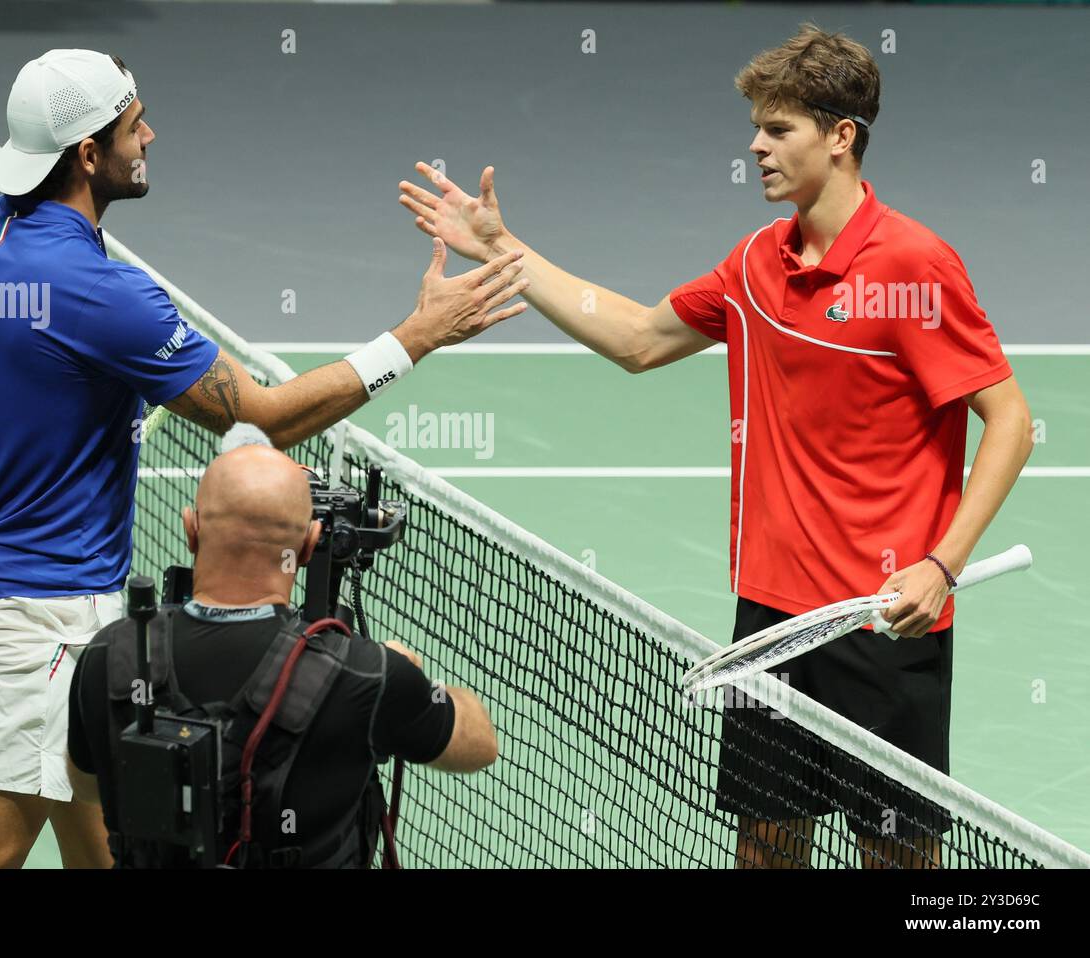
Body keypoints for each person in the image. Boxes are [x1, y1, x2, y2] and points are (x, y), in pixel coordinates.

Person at [0, 48, 525, 869]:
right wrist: (418, 337)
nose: (151, 136)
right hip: (42, 626)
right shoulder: (100, 293)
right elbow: (268, 419)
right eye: (134, 125)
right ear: (86, 155)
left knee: (113, 847)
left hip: (18, 605)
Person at [398, 23, 1033, 869]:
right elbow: (634, 338)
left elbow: (1012, 421)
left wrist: (942, 563)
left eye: (778, 130)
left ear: (841, 137)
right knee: (765, 850)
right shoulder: (755, 265)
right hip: (770, 621)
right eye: (756, 128)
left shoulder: (914, 267)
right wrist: (506, 252)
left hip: (881, 621)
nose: (756, 147)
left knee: (898, 859)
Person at [66, 430, 498, 867]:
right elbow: (480, 745)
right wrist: (414, 680)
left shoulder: (111, 653)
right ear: (310, 544)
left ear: (191, 529)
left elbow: (86, 786)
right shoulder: (366, 675)